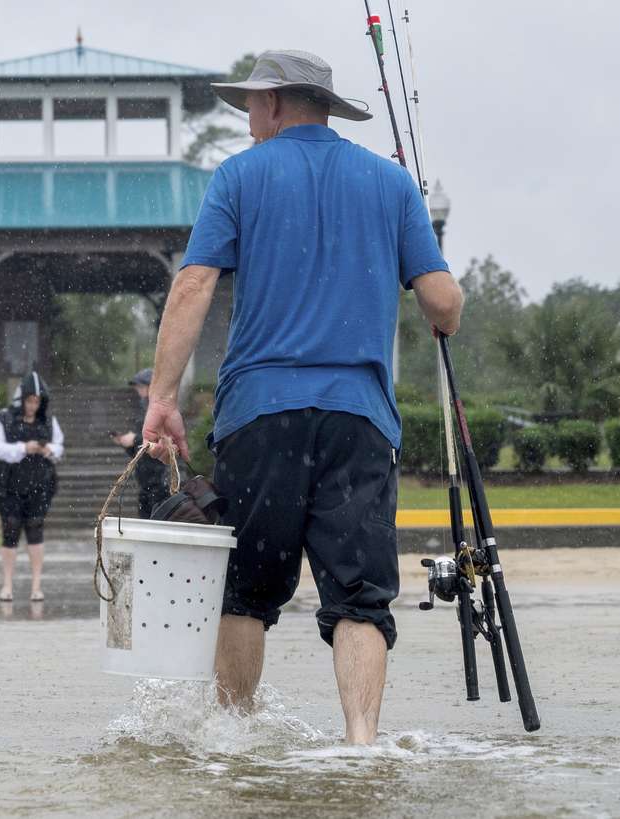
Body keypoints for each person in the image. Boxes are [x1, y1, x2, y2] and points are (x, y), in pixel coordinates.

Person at [140, 51, 463, 744]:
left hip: (261, 416)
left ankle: (234, 734)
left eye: (252, 106)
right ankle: (361, 742)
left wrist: (162, 394)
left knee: (246, 593)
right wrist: (441, 289)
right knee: (360, 597)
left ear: (277, 104)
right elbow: (441, 303)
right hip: (360, 419)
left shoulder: (240, 177)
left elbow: (193, 285)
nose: (248, 120)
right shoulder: (391, 183)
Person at [0, 371, 64, 601]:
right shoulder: (2, 418)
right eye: (30, 400)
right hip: (8, 484)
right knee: (10, 529)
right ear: (22, 399)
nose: (33, 406)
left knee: (35, 529)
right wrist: (23, 448)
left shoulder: (49, 421)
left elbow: (59, 446)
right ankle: (7, 585)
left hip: (40, 484)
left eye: (37, 401)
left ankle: (36, 586)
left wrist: (47, 449)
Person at [110, 367, 171, 518]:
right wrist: (126, 443)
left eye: (141, 386)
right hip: (145, 480)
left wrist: (135, 439)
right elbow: (141, 450)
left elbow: (160, 440)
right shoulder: (144, 407)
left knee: (157, 521)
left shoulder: (160, 408)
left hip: (160, 479)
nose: (139, 391)